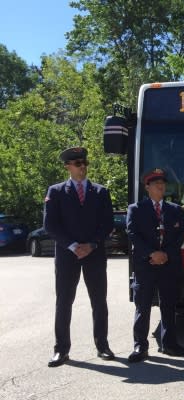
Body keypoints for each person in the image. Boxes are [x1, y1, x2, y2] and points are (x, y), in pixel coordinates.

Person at [44, 147, 115, 367]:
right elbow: (50, 225)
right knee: (64, 302)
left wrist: (92, 244)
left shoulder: (101, 192)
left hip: (94, 253)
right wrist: (74, 246)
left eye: (84, 163)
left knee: (99, 301)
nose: (82, 167)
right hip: (67, 254)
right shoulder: (55, 192)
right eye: (77, 164)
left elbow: (108, 223)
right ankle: (61, 350)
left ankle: (102, 345)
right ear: (67, 166)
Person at [126, 169, 184, 363]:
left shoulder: (175, 210)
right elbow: (132, 233)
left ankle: (169, 344)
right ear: (147, 187)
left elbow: (180, 236)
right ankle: (140, 347)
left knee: (168, 305)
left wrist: (165, 255)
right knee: (142, 306)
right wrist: (152, 254)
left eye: (162, 183)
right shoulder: (136, 209)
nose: (160, 186)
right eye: (155, 183)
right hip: (145, 265)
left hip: (168, 265)